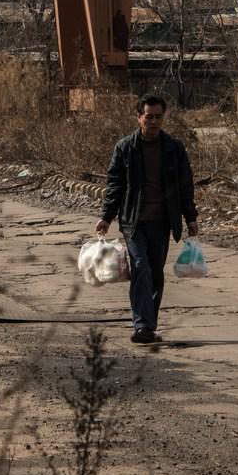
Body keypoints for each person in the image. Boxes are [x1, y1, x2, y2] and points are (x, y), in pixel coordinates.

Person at [94, 93, 199, 346]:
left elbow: (185, 185)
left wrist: (190, 217)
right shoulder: (125, 148)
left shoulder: (173, 148)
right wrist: (106, 217)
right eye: (148, 117)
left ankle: (147, 326)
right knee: (140, 267)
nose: (153, 122)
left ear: (164, 118)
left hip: (162, 221)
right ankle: (142, 325)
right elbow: (115, 185)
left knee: (155, 272)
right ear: (138, 117)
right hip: (133, 220)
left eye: (158, 117)